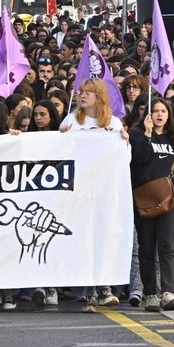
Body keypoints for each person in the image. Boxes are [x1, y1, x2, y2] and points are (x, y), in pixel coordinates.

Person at [59, 78, 127, 311]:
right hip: (80, 192)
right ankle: (88, 294)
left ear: (100, 97)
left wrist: (125, 143)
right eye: (81, 92)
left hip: (105, 191)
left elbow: (123, 160)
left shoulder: (114, 123)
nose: (83, 96)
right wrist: (61, 137)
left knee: (104, 237)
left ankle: (105, 287)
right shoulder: (71, 121)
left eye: (89, 92)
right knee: (84, 241)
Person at [129, 98, 174, 312]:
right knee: (147, 248)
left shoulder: (173, 138)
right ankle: (150, 293)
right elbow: (138, 160)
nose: (159, 115)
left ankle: (168, 291)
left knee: (168, 246)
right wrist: (147, 135)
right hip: (145, 198)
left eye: (163, 111)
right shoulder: (136, 135)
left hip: (170, 198)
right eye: (155, 111)